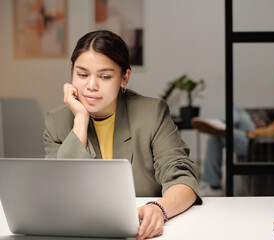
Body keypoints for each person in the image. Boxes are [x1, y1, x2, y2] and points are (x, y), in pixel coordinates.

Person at [43, 30, 201, 240]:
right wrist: (80, 120)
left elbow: (183, 178)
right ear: (72, 71)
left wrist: (159, 208)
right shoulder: (56, 122)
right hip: (81, 232)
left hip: (142, 231)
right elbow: (59, 191)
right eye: (82, 74)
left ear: (124, 77)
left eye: (105, 76)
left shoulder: (152, 113)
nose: (91, 86)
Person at [192, 60, 274, 195]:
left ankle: (214, 185)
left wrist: (254, 132)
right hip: (265, 137)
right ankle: (221, 123)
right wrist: (264, 127)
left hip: (266, 145)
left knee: (216, 135)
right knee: (236, 111)